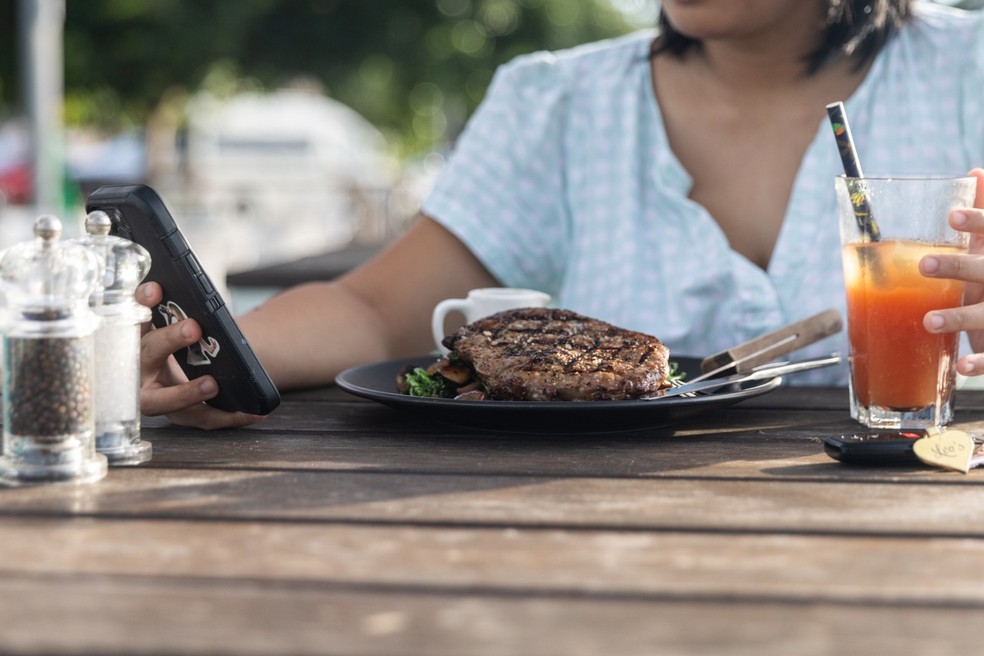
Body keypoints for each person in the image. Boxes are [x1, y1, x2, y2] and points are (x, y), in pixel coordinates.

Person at [138, 0, 984, 429]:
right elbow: (369, 308)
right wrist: (211, 360)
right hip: (592, 539)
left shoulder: (968, 67)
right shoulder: (562, 103)